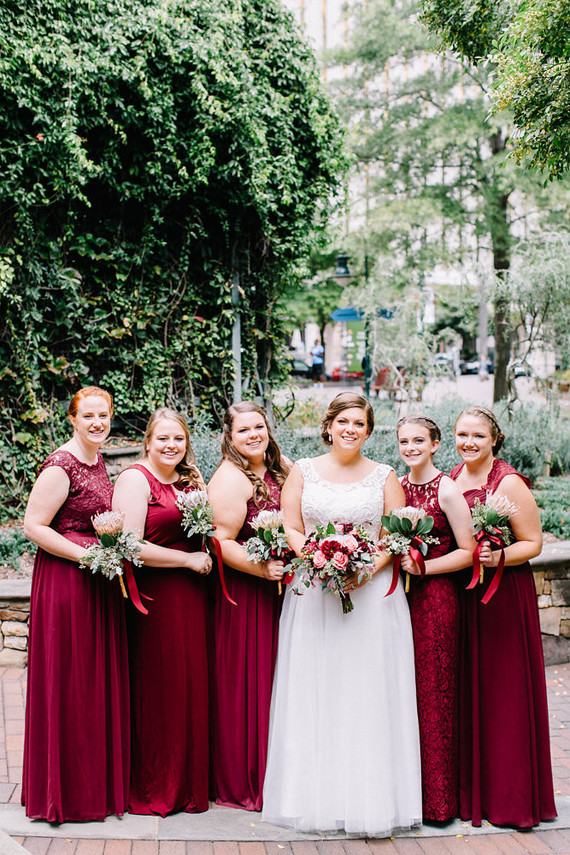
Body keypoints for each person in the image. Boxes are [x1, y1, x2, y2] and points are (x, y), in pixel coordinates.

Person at [262, 392, 422, 836]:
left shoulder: (385, 476)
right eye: (343, 421)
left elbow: (396, 534)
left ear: (369, 431)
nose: (351, 429)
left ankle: (370, 798)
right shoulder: (303, 471)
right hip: (313, 594)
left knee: (366, 690)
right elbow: (292, 524)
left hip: (372, 599)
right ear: (329, 425)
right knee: (318, 686)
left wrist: (367, 570)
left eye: (360, 424)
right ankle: (314, 796)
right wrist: (315, 556)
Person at [22, 386, 129, 822]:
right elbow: (33, 526)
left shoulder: (97, 458)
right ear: (72, 418)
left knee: (90, 683)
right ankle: (63, 794)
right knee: (71, 682)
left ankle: (92, 786)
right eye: (88, 416)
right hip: (67, 584)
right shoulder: (61, 465)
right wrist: (89, 555)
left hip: (94, 584)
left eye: (103, 415)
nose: (97, 423)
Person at [450, 406, 557, 828]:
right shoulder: (455, 476)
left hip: (503, 597)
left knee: (504, 691)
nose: (469, 442)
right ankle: (472, 793)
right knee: (472, 688)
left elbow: (533, 542)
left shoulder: (507, 481)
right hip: (466, 595)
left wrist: (496, 558)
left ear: (495, 439)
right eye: (462, 435)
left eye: (478, 435)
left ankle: (510, 798)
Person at [112, 407, 212, 816]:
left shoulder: (188, 479)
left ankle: (189, 784)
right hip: (156, 596)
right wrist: (186, 561)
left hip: (191, 597)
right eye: (163, 439)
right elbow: (130, 546)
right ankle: (156, 786)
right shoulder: (136, 479)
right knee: (161, 689)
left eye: (179, 439)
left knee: (189, 687)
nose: (172, 446)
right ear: (148, 442)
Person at [207, 401, 291, 811]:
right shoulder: (230, 478)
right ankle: (247, 776)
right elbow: (219, 541)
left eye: (259, 427)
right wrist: (262, 571)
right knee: (251, 683)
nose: (254, 435)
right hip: (247, 597)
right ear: (230, 437)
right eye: (244, 431)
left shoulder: (276, 467)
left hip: (281, 593)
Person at [397, 415, 474, 822]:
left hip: (436, 600)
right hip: (398, 603)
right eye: (404, 441)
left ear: (435, 444)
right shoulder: (398, 484)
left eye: (418, 441)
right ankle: (407, 794)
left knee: (434, 696)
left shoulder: (447, 489)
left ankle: (439, 803)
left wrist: (427, 568)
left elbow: (469, 551)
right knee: (403, 695)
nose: (411, 447)